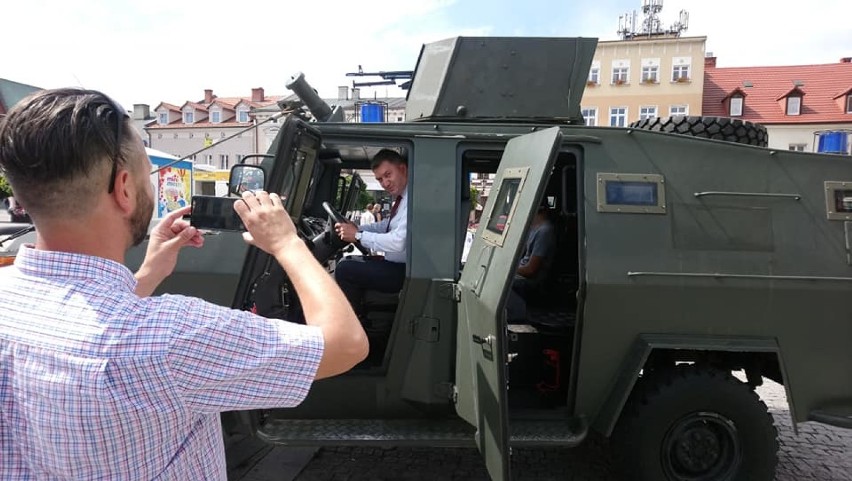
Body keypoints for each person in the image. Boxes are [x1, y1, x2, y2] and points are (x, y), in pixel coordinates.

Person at [0, 88, 368, 480]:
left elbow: (82, 323)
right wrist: (286, 243)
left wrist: (150, 272)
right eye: (148, 174)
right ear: (124, 189)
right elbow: (346, 345)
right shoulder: (173, 335)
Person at [333, 149, 408, 319]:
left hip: (405, 272)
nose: (385, 183)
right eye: (380, 179)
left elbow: (398, 242)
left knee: (345, 269)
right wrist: (358, 229)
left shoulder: (412, 199)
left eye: (388, 175)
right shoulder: (402, 198)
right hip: (398, 266)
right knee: (351, 261)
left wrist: (358, 236)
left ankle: (353, 325)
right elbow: (385, 226)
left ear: (402, 169)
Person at [506, 200, 556, 321]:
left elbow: (531, 270)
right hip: (521, 270)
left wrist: (508, 269)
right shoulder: (534, 228)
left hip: (531, 279)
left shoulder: (545, 231)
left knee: (500, 285)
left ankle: (517, 316)